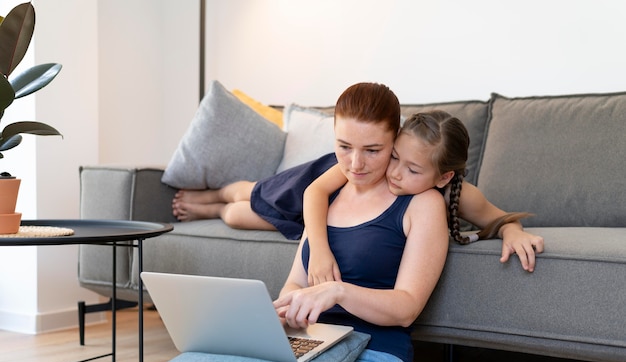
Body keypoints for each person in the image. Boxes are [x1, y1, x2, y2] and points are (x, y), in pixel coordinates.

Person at [144, 82, 450, 362]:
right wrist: (282, 311)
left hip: (375, 361)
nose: (355, 164)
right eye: (344, 146)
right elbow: (295, 282)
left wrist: (337, 292)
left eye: (373, 150)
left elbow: (407, 307)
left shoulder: (422, 203)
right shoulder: (326, 197)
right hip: (309, 346)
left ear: (395, 143)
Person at [171, 113, 543, 272]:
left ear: (444, 177)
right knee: (255, 193)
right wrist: (318, 248)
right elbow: (315, 192)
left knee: (239, 216)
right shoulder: (368, 165)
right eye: (394, 156)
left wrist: (512, 231)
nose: (394, 173)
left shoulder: (455, 194)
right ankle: (213, 192)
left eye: (412, 170)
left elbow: (500, 218)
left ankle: (211, 210)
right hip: (314, 189)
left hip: (338, 220)